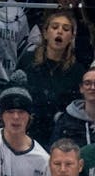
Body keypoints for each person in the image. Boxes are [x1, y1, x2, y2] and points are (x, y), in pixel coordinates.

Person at [18, 10, 86, 147]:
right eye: (55, 27)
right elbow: (16, 94)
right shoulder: (27, 61)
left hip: (60, 135)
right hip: (28, 131)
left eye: (66, 29)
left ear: (72, 36)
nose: (59, 32)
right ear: (45, 33)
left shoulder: (77, 71)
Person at [50, 68, 95, 148]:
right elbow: (54, 150)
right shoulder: (65, 120)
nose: (92, 87)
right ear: (81, 88)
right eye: (87, 83)